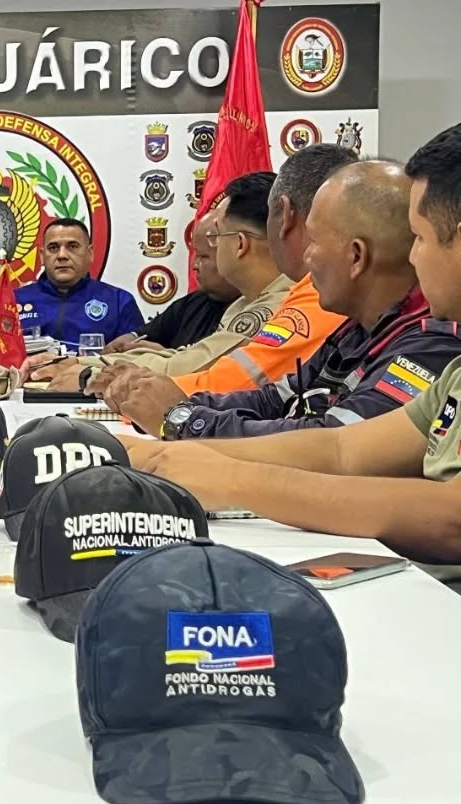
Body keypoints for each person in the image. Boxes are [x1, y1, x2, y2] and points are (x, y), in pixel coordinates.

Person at [119, 123, 461, 577]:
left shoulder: (432, 346)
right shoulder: (446, 368)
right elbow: (341, 449)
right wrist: (170, 454)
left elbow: (451, 518)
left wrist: (227, 473)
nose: (411, 257)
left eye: (419, 237)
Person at [119, 160, 461, 438]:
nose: (307, 257)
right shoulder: (355, 330)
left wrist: (185, 420)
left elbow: (336, 446)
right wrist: (181, 406)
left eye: (314, 241)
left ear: (356, 256)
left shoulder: (430, 346)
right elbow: (277, 398)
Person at [83, 144, 358, 409]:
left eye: (216, 237)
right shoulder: (263, 299)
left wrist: (102, 378)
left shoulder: (308, 300)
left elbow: (227, 382)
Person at [32, 175, 291, 391]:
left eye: (216, 238)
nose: (195, 262)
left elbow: (192, 367)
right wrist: (83, 363)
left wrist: (88, 374)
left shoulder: (279, 305)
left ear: (240, 244)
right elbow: (185, 356)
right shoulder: (245, 303)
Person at [100, 215, 241, 356]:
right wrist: (127, 341)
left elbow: (221, 366)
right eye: (195, 255)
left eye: (203, 256)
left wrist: (166, 356)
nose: (194, 265)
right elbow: (143, 335)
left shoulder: (250, 312)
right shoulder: (191, 304)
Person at [14, 218, 144, 348]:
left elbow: (135, 355)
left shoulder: (119, 302)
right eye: (53, 248)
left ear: (90, 253)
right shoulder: (14, 300)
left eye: (72, 247)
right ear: (42, 256)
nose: (62, 255)